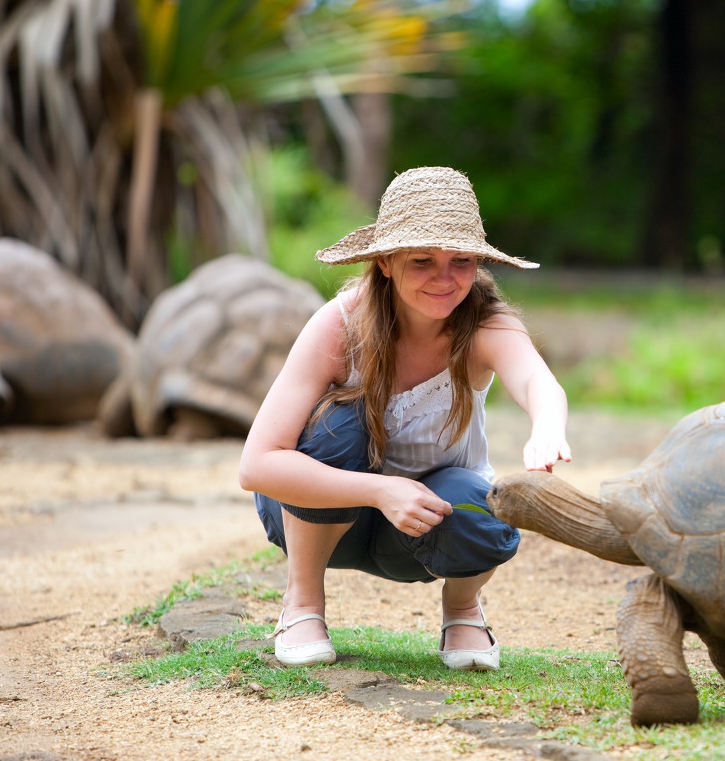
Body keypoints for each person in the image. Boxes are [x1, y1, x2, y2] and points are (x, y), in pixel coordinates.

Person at [238, 166, 570, 672]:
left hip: (420, 529)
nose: (445, 278)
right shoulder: (340, 323)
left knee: (480, 502)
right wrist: (379, 490)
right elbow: (257, 465)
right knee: (339, 423)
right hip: (318, 518)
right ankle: (302, 605)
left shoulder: (485, 323)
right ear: (387, 263)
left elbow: (535, 380)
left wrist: (547, 427)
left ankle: (463, 609)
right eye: (423, 261)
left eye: (461, 260)